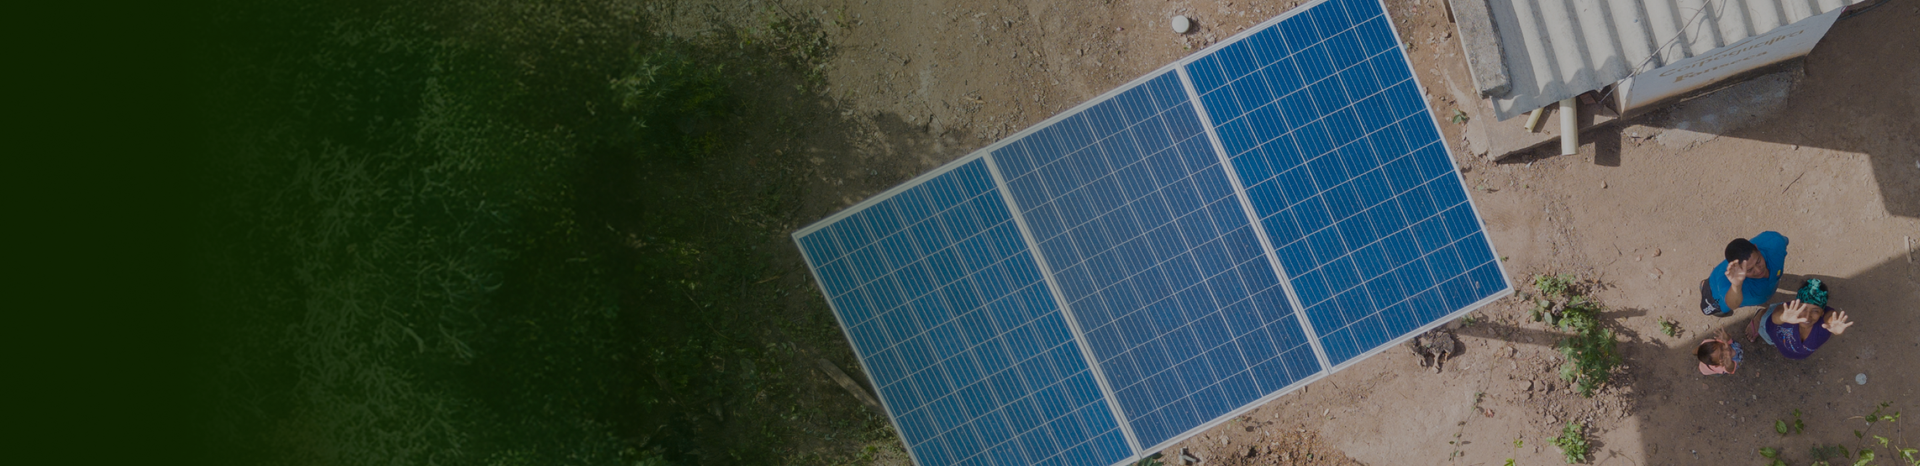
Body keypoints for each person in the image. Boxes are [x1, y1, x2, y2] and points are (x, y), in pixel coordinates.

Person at [1746, 280, 1854, 359]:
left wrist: (1832, 322)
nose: (1807, 316)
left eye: (1815, 311)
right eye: (1803, 308)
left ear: (1822, 312)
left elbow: (1830, 316)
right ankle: (1759, 315)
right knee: (1766, 317)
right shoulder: (1788, 311)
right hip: (1768, 330)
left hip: (1786, 347)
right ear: (1796, 304)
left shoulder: (1825, 323)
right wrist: (1783, 317)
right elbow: (1775, 317)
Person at [1699, 232, 1789, 317]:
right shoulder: (1726, 279)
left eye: (1758, 261)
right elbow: (1732, 304)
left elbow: (1782, 241)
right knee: (1709, 310)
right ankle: (1705, 286)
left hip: (1763, 293)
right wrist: (1736, 285)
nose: (1758, 271)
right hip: (1715, 296)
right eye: (1749, 270)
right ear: (1737, 268)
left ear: (1757, 248)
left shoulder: (1774, 242)